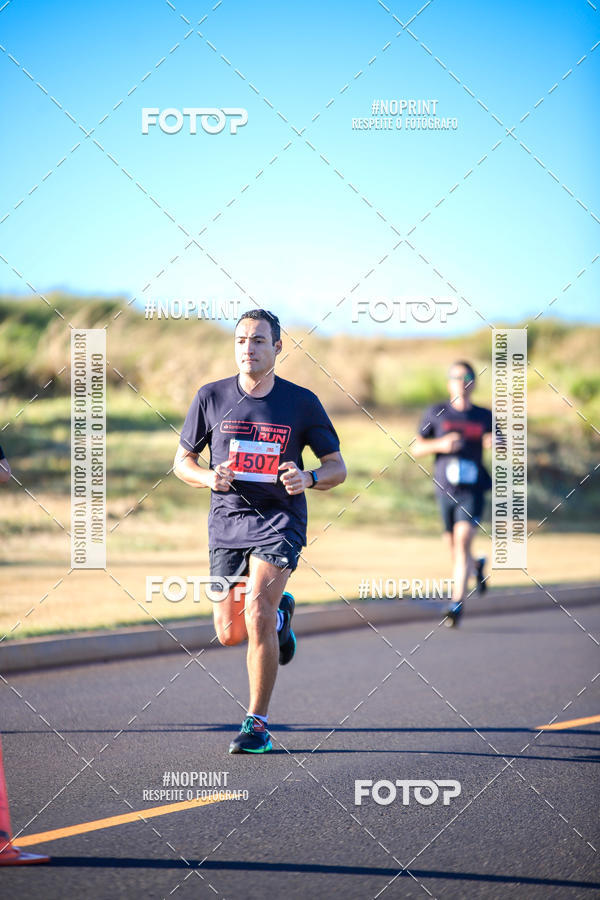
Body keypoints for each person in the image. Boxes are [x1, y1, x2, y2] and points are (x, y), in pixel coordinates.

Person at [173, 309, 346, 753]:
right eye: (241, 340)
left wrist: (307, 478)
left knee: (256, 612)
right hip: (227, 521)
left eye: (258, 340)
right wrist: (208, 477)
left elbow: (337, 468)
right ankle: (283, 617)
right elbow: (182, 463)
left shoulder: (301, 402)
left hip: (279, 519)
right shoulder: (211, 396)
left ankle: (257, 726)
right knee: (230, 632)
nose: (248, 348)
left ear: (277, 347)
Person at [412, 361, 493, 626]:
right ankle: (477, 565)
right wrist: (441, 444)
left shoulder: (484, 415)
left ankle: (456, 603)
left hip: (473, 489)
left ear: (474, 382)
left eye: (467, 377)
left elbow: (502, 441)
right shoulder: (437, 412)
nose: (462, 382)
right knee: (454, 547)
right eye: (457, 377)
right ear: (449, 383)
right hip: (445, 489)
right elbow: (416, 447)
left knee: (462, 539)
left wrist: (495, 442)